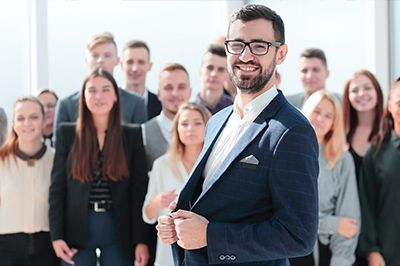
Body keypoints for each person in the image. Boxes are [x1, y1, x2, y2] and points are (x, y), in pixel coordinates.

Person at [156, 4, 319, 265]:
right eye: (237, 45)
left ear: (281, 54)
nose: (245, 56)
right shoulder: (216, 121)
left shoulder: (291, 130)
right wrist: (177, 224)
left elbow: (298, 235)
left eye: (259, 46)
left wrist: (211, 236)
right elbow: (215, 199)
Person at [49, 69, 150, 266]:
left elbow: (139, 191)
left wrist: (141, 240)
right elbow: (57, 189)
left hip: (118, 228)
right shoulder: (67, 134)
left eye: (105, 90)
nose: (98, 96)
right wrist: (56, 236)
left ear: (115, 96)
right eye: (92, 90)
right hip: (77, 229)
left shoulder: (131, 135)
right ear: (83, 96)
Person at [142, 102, 211, 266]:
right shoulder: (162, 164)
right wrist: (159, 200)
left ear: (208, 126)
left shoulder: (217, 164)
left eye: (197, 123)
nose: (190, 128)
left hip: (207, 249)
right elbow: (147, 215)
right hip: (169, 252)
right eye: (184, 123)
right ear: (177, 129)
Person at [299, 90, 360, 266]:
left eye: (328, 116)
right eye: (316, 111)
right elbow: (287, 216)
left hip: (326, 249)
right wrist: (332, 223)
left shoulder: (342, 159)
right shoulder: (286, 151)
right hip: (287, 248)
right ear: (307, 111)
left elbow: (349, 221)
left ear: (334, 123)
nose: (320, 119)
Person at [0, 97, 59, 265]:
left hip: (46, 247)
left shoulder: (57, 160)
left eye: (34, 117)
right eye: (20, 118)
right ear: (13, 123)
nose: (27, 123)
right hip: (6, 247)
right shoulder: (1, 160)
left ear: (43, 120)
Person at [54, 32, 146, 133]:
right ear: (86, 60)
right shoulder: (66, 105)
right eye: (95, 55)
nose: (100, 60)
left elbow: (140, 144)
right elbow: (60, 145)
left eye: (107, 55)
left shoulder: (135, 103)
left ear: (117, 61)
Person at [358, 77, 400, 266]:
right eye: (399, 102)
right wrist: (372, 251)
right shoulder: (375, 153)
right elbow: (365, 205)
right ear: (390, 106)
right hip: (386, 255)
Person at [142, 62, 192, 171]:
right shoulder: (143, 133)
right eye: (168, 88)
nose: (174, 93)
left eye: (181, 87)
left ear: (190, 92)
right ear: (159, 94)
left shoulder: (205, 131)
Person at [120, 40, 161, 120]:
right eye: (130, 62)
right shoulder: (110, 101)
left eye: (141, 62)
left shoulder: (161, 105)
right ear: (121, 65)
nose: (135, 68)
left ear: (149, 66)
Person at [195, 44, 233, 114]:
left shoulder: (235, 109)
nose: (214, 74)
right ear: (200, 70)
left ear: (228, 74)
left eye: (221, 70)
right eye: (210, 68)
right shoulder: (188, 111)